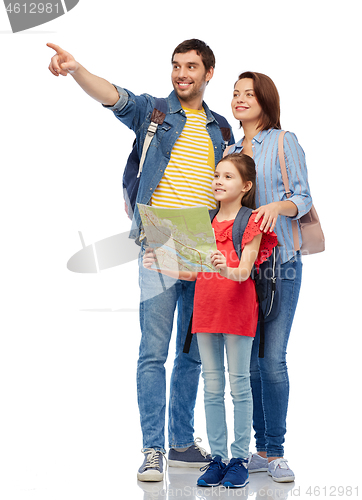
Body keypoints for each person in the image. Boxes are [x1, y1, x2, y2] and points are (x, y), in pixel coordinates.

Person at [47, 39, 234, 482]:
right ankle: (152, 449)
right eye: (175, 65)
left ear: (209, 73)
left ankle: (181, 443)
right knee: (153, 353)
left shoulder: (221, 129)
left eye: (191, 66)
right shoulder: (153, 113)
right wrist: (76, 70)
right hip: (159, 242)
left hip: (203, 247)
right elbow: (113, 95)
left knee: (191, 353)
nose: (181, 73)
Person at [144, 153, 278, 488]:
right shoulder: (204, 223)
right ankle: (218, 459)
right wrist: (160, 263)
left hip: (237, 312)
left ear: (246, 186)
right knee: (212, 387)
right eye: (217, 175)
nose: (218, 181)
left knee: (240, 388)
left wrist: (225, 268)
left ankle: (239, 459)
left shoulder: (251, 222)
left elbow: (245, 271)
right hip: (205, 312)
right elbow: (192, 271)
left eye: (228, 177)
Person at [228, 71, 312, 482]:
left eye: (249, 94)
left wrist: (278, 208)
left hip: (281, 263)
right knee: (250, 364)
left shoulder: (282, 141)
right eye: (235, 94)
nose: (240, 99)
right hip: (241, 266)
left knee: (272, 359)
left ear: (265, 99)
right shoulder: (228, 148)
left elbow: (303, 195)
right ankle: (257, 450)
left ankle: (275, 452)